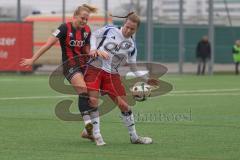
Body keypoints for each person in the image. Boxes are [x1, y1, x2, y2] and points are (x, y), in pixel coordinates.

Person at [20, 4, 98, 141]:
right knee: (83, 90)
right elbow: (48, 44)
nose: (84, 21)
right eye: (82, 18)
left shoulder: (87, 30)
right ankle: (88, 124)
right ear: (75, 16)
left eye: (87, 19)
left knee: (93, 99)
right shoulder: (63, 28)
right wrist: (33, 59)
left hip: (84, 65)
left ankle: (87, 132)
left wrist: (93, 55)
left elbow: (86, 50)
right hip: (70, 66)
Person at [84, 12, 159, 146]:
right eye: (127, 27)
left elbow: (133, 67)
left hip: (112, 75)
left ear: (136, 30)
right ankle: (97, 134)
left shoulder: (131, 46)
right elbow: (94, 35)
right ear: (124, 24)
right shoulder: (110, 29)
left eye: (132, 29)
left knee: (124, 106)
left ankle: (134, 137)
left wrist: (146, 79)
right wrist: (94, 49)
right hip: (94, 68)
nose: (128, 30)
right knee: (93, 100)